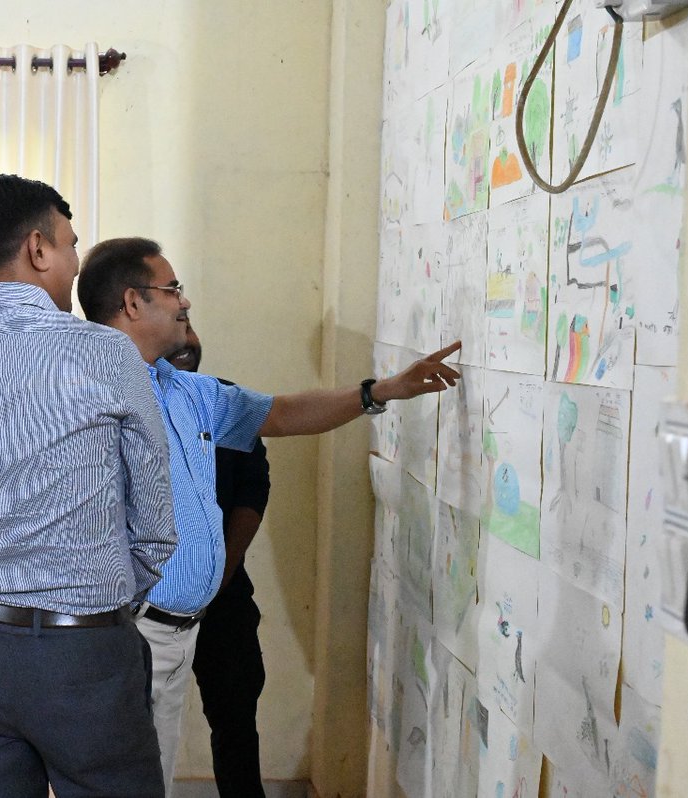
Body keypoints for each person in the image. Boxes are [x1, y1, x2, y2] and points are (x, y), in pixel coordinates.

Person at [77, 237, 461, 792]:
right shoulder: (85, 389)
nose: (184, 302)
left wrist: (379, 392)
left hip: (176, 634)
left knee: (148, 781)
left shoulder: (187, 390)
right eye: (172, 288)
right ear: (133, 303)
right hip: (123, 631)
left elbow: (282, 413)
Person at [0, 174, 177, 798]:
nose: (75, 260)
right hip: (84, 652)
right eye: (71, 243)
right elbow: (155, 525)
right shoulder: (104, 354)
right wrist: (98, 595)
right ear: (39, 249)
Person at [169, 325, 272, 798]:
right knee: (140, 741)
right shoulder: (124, 399)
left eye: (190, 328)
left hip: (224, 603)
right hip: (142, 612)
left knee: (235, 729)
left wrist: (219, 573)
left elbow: (254, 487)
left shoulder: (222, 402)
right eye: (176, 328)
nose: (187, 338)